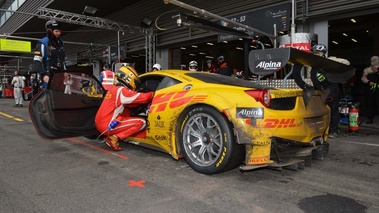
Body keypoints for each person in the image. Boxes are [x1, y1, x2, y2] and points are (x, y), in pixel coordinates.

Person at [95, 66, 154, 151]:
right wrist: (154, 93)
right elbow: (143, 98)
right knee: (142, 122)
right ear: (129, 78)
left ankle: (110, 135)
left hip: (98, 123)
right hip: (107, 126)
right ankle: (114, 138)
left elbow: (128, 104)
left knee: (126, 111)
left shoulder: (113, 89)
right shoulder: (122, 91)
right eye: (135, 81)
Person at [311, 44, 350, 139]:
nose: (315, 54)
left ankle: (333, 131)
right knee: (317, 110)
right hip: (319, 89)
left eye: (317, 53)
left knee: (333, 110)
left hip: (331, 88)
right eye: (314, 52)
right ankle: (320, 130)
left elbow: (347, 62)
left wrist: (330, 62)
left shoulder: (330, 59)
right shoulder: (312, 63)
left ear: (322, 53)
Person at [32, 20, 66, 89]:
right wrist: (43, 75)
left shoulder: (61, 43)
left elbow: (63, 60)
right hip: (49, 77)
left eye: (60, 31)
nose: (59, 33)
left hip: (60, 77)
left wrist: (65, 72)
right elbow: (37, 61)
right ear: (50, 31)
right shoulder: (43, 43)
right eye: (56, 31)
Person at [361, 56, 379, 124]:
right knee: (369, 103)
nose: (373, 61)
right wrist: (368, 82)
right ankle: (370, 118)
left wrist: (377, 72)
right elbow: (363, 78)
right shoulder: (367, 69)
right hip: (370, 88)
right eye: (372, 60)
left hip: (378, 89)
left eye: (374, 60)